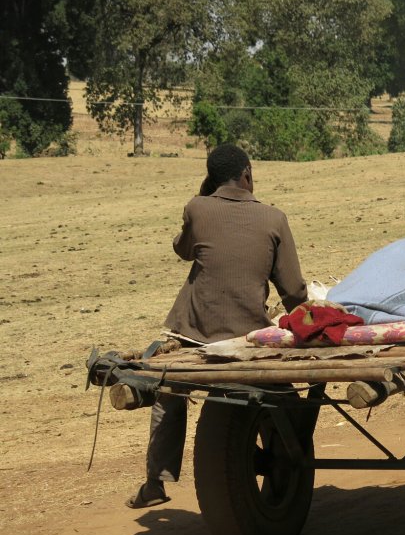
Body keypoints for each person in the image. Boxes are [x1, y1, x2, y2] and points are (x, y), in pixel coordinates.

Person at [127, 144, 308, 509]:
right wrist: (304, 321)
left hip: (193, 332)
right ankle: (291, 453)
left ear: (211, 178)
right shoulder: (274, 218)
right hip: (247, 333)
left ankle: (156, 480)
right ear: (247, 174)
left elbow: (183, 249)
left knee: (169, 392)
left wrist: (204, 194)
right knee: (281, 393)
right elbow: (292, 290)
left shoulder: (197, 208)